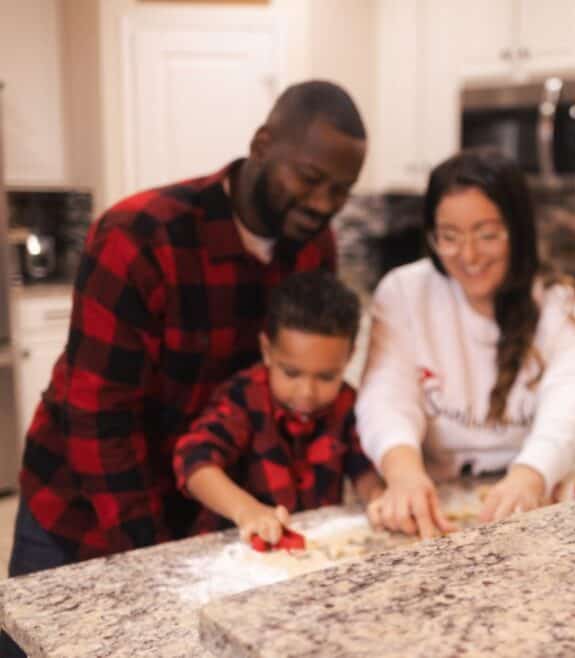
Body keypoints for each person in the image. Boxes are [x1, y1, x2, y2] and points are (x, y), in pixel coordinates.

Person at [8, 80, 367, 574]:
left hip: (206, 508)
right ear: (262, 145)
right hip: (84, 509)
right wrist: (150, 556)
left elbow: (276, 398)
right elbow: (99, 415)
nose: (325, 203)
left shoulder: (313, 246)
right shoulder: (140, 237)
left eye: (342, 190)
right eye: (309, 178)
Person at [356, 148, 575, 539]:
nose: (468, 255)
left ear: (518, 231)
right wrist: (404, 474)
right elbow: (386, 395)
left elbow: (572, 401)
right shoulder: (402, 292)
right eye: (449, 237)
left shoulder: (565, 303)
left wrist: (530, 474)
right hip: (434, 506)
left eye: (487, 235)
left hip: (535, 501)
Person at [174, 271, 384, 544]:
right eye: (291, 373)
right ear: (267, 350)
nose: (307, 392)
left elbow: (362, 466)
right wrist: (247, 511)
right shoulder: (245, 398)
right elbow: (193, 460)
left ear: (350, 356)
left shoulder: (345, 403)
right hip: (234, 549)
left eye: (326, 377)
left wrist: (377, 497)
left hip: (308, 545)